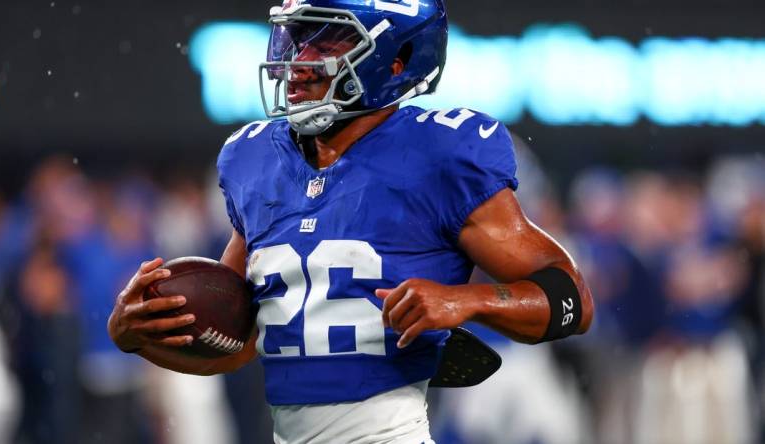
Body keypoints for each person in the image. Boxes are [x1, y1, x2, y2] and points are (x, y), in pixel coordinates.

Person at [107, 1, 594, 442]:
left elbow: (571, 299)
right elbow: (237, 344)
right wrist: (135, 338)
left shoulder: (440, 155)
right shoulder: (256, 160)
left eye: (328, 40)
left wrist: (468, 300)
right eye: (295, 38)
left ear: (395, 59)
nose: (299, 59)